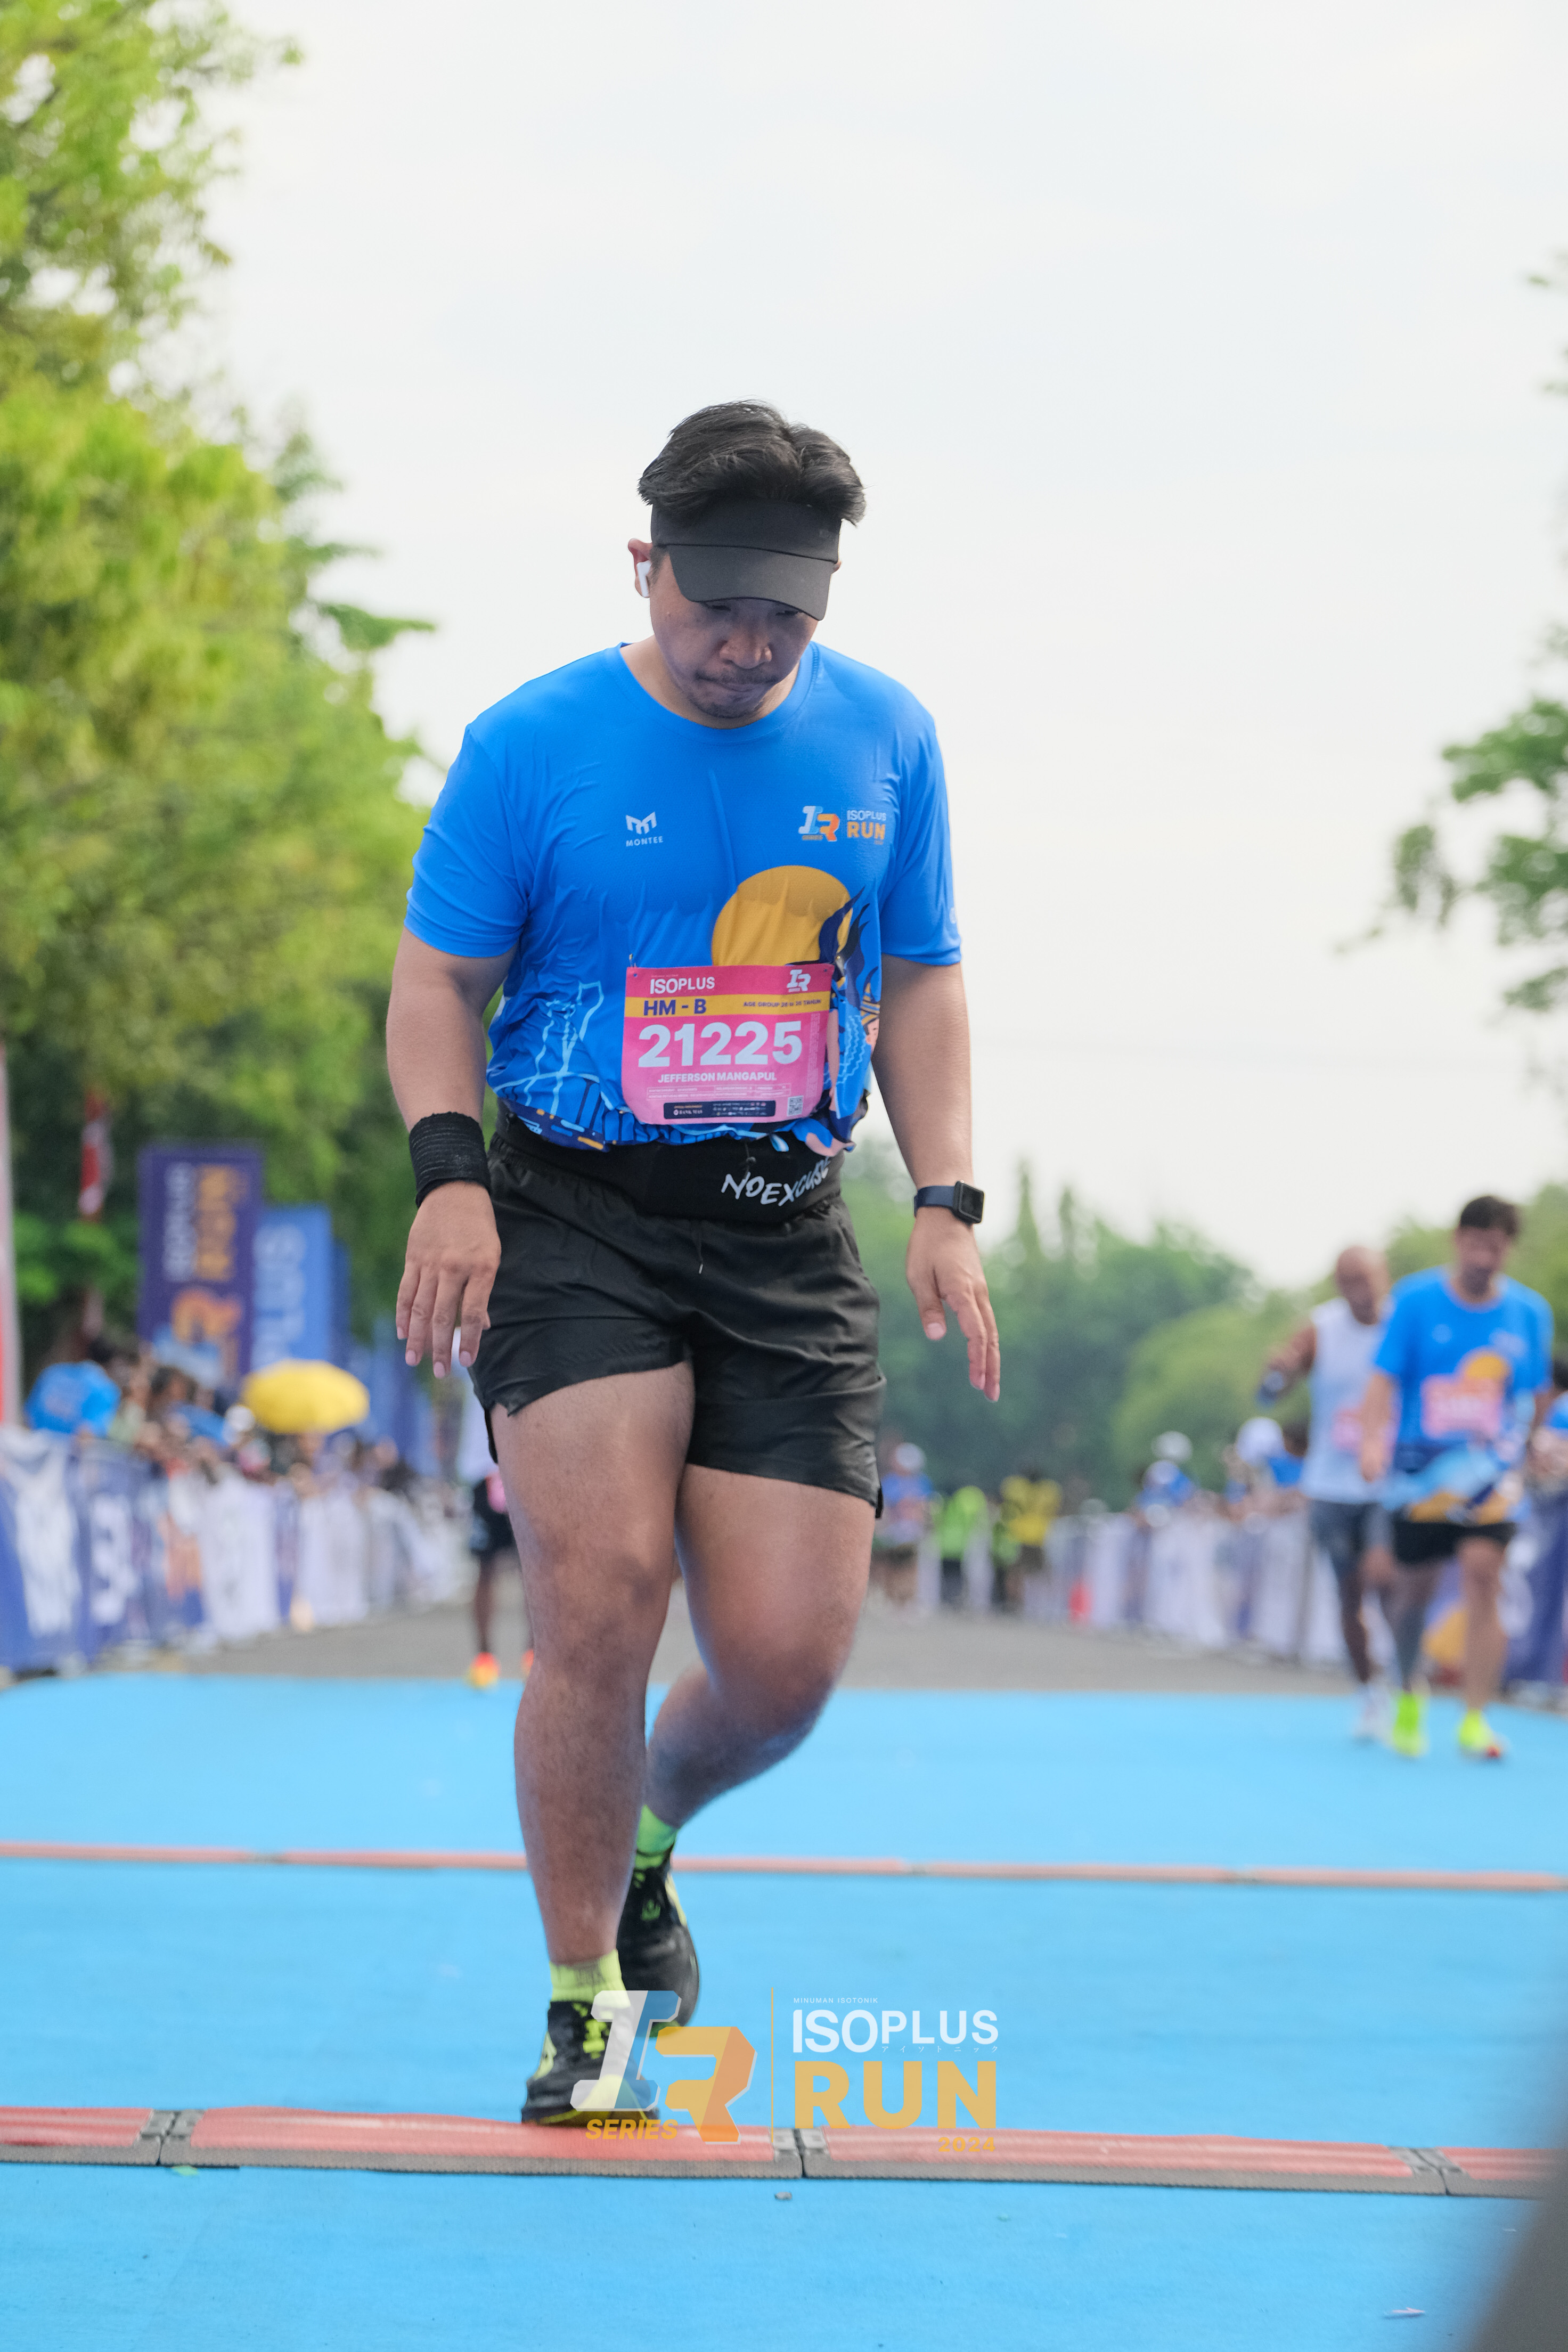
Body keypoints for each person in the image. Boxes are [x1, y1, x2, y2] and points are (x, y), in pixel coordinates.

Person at [387, 401, 999, 2124]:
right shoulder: (531, 743)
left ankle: (650, 1831)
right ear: (643, 564)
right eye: (717, 606)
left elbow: (924, 974)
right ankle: (584, 2005)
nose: (747, 645)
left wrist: (945, 1195)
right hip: (577, 1211)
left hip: (785, 1226)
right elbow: (437, 984)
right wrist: (450, 1179)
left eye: (784, 616)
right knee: (600, 1598)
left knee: (787, 1665)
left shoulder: (888, 738)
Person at [1359, 1197, 1553, 1761]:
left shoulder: (1528, 1312)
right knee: (1413, 1592)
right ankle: (1408, 1693)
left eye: (1495, 1246)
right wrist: (1371, 1442)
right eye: (1475, 1243)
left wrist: (1532, 1445)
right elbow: (1383, 1381)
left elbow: (1535, 1393)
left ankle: (1475, 1717)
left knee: (1483, 1577)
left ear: (1508, 1249)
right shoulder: (1415, 1301)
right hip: (1420, 1475)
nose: (1483, 1256)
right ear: (1457, 1240)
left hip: (1492, 1474)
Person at [1262, 1247, 1395, 1738]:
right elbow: (1270, 1391)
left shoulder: (1404, 1324)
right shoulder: (1322, 1328)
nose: (1359, 1290)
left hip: (1390, 1483)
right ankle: (1369, 1692)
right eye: (1347, 1281)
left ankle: (1407, 1675)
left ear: (1384, 1276)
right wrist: (1279, 1372)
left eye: (1366, 1278)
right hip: (1332, 1486)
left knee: (1387, 1577)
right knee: (1350, 1594)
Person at [871, 1440, 932, 1610]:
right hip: (894, 1532)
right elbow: (884, 1509)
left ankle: (908, 1600)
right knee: (893, 1567)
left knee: (910, 1567)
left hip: (912, 1531)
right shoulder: (891, 1482)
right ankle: (893, 1600)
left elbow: (925, 1508)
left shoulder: (921, 1482)